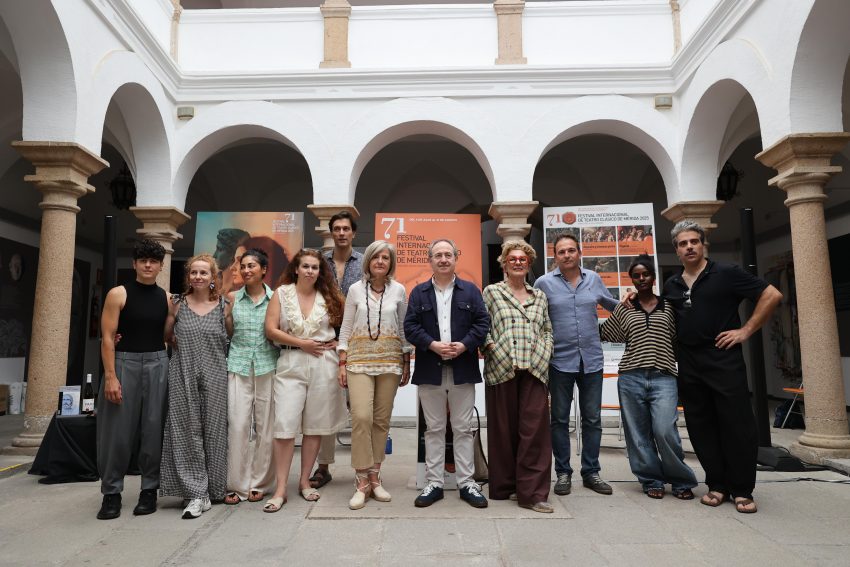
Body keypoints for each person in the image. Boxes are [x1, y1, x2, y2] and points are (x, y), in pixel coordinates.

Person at [664, 220, 781, 514]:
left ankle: (741, 489)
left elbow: (772, 295)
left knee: (737, 425)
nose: (689, 246)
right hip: (689, 362)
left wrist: (746, 330)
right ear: (676, 250)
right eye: (682, 243)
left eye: (694, 241)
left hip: (723, 358)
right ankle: (717, 484)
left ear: (704, 245)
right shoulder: (672, 284)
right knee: (701, 425)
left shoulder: (727, 273)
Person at [600, 255, 698, 500]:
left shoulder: (669, 307)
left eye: (646, 274)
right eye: (636, 276)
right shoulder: (627, 307)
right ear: (631, 280)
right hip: (630, 377)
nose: (641, 279)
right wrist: (619, 306)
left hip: (664, 377)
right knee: (638, 435)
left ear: (653, 277)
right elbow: (606, 333)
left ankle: (680, 479)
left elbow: (679, 339)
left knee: (665, 430)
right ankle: (651, 479)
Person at [404, 239, 490, 509]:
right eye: (438, 255)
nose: (443, 259)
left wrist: (464, 345)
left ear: (456, 258)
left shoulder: (471, 292)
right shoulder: (418, 293)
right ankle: (434, 483)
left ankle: (466, 483)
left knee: (463, 428)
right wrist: (432, 345)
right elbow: (410, 327)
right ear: (430, 260)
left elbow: (482, 323)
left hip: (463, 369)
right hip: (431, 369)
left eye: (448, 255)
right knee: (434, 429)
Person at [262, 249, 348, 512]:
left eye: (315, 267)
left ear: (320, 271)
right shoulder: (282, 293)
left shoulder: (331, 297)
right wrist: (302, 343)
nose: (310, 271)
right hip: (291, 361)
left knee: (314, 426)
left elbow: (347, 326)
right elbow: (270, 329)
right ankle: (279, 490)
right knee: (285, 426)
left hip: (323, 363)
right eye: (306, 266)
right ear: (296, 269)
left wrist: (336, 345)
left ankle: (304, 482)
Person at [534, 233, 619, 497]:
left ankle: (591, 472)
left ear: (579, 253)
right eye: (562, 252)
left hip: (592, 360)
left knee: (592, 419)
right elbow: (534, 315)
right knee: (559, 419)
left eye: (571, 250)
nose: (567, 255)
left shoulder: (593, 279)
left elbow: (613, 305)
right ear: (555, 256)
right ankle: (563, 473)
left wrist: (643, 304)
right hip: (559, 361)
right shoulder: (543, 283)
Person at [96, 239, 170, 520]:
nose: (148, 265)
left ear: (161, 265)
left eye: (153, 261)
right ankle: (111, 493)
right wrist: (111, 376)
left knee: (153, 431)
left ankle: (149, 490)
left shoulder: (166, 298)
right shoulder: (118, 293)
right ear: (135, 264)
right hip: (123, 363)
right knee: (116, 432)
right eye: (143, 260)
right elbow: (106, 338)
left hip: (157, 363)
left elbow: (166, 335)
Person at [337, 240, 411, 510]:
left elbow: (403, 328)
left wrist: (406, 360)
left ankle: (375, 477)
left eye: (386, 258)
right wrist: (342, 361)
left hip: (390, 361)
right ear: (368, 261)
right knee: (361, 417)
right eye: (376, 257)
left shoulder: (400, 290)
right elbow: (345, 327)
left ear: (391, 263)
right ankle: (360, 480)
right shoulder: (356, 290)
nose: (381, 261)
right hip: (358, 361)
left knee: (381, 421)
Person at [482, 240, 554, 513]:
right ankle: (506, 486)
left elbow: (547, 329)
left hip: (534, 369)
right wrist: (491, 347)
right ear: (503, 263)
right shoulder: (492, 292)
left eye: (522, 259)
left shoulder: (539, 296)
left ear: (529, 264)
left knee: (534, 431)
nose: (517, 262)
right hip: (502, 368)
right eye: (512, 258)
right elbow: (482, 325)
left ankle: (533, 493)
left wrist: (544, 352)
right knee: (503, 430)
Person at [160, 254, 230, 519]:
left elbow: (229, 337)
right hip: (183, 371)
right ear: (188, 276)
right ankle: (194, 492)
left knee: (214, 432)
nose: (198, 277)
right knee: (185, 430)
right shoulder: (176, 304)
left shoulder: (225, 305)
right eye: (194, 273)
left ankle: (213, 490)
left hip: (215, 374)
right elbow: (167, 336)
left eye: (204, 273)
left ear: (213, 278)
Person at [310, 210, 364, 490]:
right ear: (331, 233)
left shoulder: (365, 260)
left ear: (353, 232)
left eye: (346, 229)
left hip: (360, 341)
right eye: (337, 229)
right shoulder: (319, 262)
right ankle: (323, 467)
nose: (341, 233)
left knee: (360, 408)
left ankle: (363, 469)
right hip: (325, 339)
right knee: (325, 404)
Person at [223, 248, 278, 506]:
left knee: (266, 427)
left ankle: (260, 483)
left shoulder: (276, 298)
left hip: (268, 365)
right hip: (238, 365)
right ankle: (236, 483)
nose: (246, 270)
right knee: (238, 425)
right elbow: (227, 331)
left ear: (264, 270)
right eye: (243, 266)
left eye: (252, 266)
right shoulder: (232, 298)